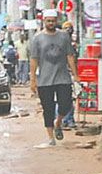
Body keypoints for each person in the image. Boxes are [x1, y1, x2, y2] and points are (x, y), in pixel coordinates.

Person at [29, 10, 80, 148]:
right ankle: (51, 138)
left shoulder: (64, 37)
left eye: (53, 20)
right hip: (45, 80)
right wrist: (33, 79)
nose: (51, 23)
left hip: (63, 77)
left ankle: (59, 122)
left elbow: (70, 56)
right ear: (44, 21)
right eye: (48, 21)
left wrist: (75, 75)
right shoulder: (37, 38)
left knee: (66, 104)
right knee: (48, 109)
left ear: (56, 21)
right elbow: (34, 59)